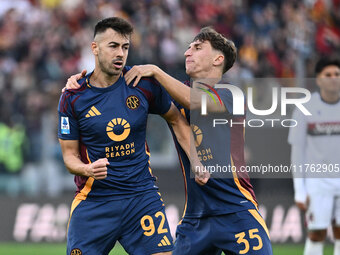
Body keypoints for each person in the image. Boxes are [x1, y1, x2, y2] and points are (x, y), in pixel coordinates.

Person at [66, 27, 272, 255]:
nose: (187, 52)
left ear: (218, 59)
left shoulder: (231, 95)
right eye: (188, 47)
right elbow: (114, 89)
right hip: (195, 219)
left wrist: (155, 70)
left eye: (197, 47)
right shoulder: (175, 92)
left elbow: (196, 101)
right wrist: (82, 83)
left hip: (237, 210)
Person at [58, 17, 207, 255]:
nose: (120, 53)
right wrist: (87, 170)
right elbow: (69, 156)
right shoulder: (73, 96)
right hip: (95, 202)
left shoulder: (142, 83)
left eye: (125, 47)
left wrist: (196, 162)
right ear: (94, 48)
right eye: (113, 46)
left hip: (141, 198)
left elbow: (177, 120)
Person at [288, 58, 340, 255]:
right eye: (328, 75)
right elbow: (297, 151)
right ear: (318, 80)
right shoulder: (304, 109)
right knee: (316, 233)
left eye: (337, 74)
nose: (334, 78)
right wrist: (299, 189)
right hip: (317, 183)